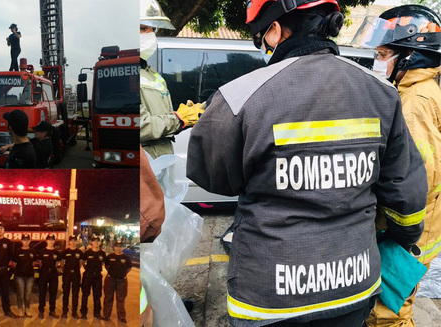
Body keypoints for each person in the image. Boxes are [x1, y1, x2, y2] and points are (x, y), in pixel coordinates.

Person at [186, 0, 429, 326]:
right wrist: (405, 235)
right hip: (354, 287)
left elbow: (213, 177)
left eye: (260, 38)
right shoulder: (383, 92)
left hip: (269, 297)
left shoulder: (241, 95)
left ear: (273, 30)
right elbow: (406, 195)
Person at [352, 5, 441, 326]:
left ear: (410, 56)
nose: (377, 61)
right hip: (412, 230)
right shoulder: (412, 91)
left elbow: (416, 178)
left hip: (405, 235)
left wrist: (396, 233)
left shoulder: (415, 102)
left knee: (386, 314)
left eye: (383, 53)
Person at [139, 0, 204, 158]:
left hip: (162, 157)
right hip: (144, 163)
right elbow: (140, 126)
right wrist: (179, 118)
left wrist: (183, 115)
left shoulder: (152, 74)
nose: (150, 33)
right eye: (142, 28)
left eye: (152, 28)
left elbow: (160, 119)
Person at [102, 241, 132, 323]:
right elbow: (106, 266)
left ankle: (121, 317)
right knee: (108, 298)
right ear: (114, 247)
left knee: (121, 299)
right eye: (117, 246)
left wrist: (122, 274)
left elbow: (129, 268)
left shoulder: (126, 258)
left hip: (122, 280)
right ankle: (106, 315)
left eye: (120, 246)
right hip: (110, 280)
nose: (118, 248)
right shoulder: (109, 256)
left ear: (122, 247)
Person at [80, 235, 106, 320]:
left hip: (97, 277)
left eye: (97, 241)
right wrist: (87, 269)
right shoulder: (87, 253)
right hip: (88, 276)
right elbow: (83, 262)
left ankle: (97, 313)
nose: (96, 243)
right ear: (91, 242)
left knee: (97, 295)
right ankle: (84, 313)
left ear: (99, 243)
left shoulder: (102, 253)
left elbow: (103, 263)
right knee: (85, 295)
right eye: (94, 241)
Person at [37, 234, 61, 318]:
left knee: (53, 293)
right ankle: (41, 311)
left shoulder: (57, 253)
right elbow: (40, 264)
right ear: (46, 241)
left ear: (54, 241)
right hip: (44, 274)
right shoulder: (42, 252)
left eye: (52, 240)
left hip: (53, 275)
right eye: (49, 240)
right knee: (42, 293)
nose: (51, 241)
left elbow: (58, 264)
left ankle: (52, 310)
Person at [13, 234, 36, 317]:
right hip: (19, 276)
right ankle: (20, 309)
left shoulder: (33, 251)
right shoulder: (18, 252)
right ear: (21, 241)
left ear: (29, 241)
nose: (26, 242)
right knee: (20, 293)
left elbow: (33, 263)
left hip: (30, 276)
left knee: (28, 294)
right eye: (24, 240)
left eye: (27, 240)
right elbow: (14, 264)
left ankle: (27, 309)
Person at [62, 235, 83, 319]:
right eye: (72, 241)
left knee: (75, 294)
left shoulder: (80, 252)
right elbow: (62, 264)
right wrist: (66, 270)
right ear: (69, 242)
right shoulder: (65, 252)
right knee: (66, 293)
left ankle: (74, 312)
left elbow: (81, 264)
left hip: (76, 275)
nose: (73, 242)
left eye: (75, 241)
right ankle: (64, 311)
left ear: (77, 242)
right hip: (67, 274)